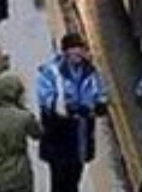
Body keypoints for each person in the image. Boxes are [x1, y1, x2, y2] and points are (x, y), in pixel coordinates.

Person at [35, 32, 109, 192]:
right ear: (65, 52)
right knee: (59, 181)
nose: (77, 53)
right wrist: (67, 108)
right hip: (58, 136)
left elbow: (100, 93)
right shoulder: (51, 72)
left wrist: (100, 104)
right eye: (73, 49)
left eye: (79, 49)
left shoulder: (91, 72)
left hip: (81, 134)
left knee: (74, 178)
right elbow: (46, 99)